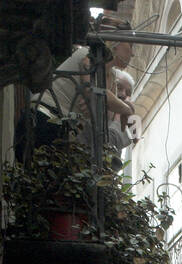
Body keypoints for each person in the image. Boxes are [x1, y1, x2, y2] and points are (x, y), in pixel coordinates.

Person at [15, 12, 136, 162]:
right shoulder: (89, 54)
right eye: (131, 44)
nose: (133, 54)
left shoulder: (111, 80)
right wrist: (124, 108)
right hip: (43, 120)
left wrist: (118, 105)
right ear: (117, 41)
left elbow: (103, 118)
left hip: (61, 131)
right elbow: (91, 89)